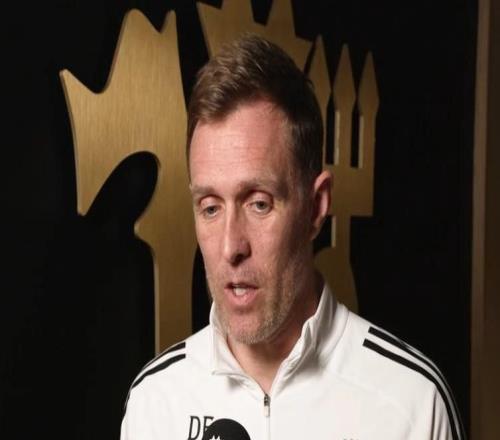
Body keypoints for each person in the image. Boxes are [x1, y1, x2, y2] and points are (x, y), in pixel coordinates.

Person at [120, 34, 465, 440]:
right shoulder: (155, 402)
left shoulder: (412, 403)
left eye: (259, 203)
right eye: (211, 207)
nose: (231, 247)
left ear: (316, 207)